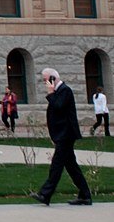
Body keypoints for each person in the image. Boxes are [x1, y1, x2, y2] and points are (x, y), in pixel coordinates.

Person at [31, 68, 92, 206]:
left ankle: (45, 194)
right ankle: (85, 195)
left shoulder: (65, 90)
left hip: (66, 134)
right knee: (71, 166)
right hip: (61, 134)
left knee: (56, 165)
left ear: (53, 79)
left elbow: (58, 106)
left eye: (46, 80)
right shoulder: (59, 92)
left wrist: (50, 93)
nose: (45, 83)